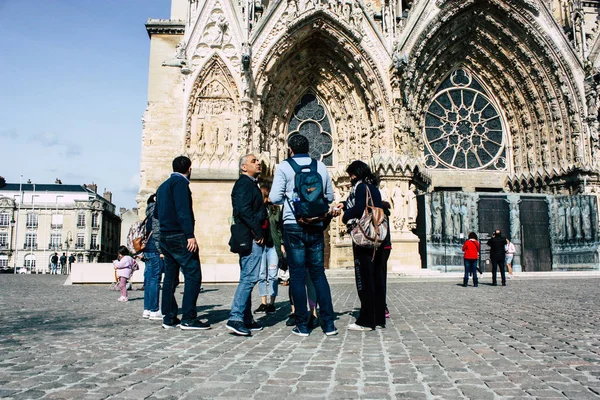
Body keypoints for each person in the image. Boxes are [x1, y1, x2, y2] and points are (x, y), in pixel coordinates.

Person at [269, 134, 338, 337]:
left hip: (293, 225)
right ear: (309, 149)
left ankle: (302, 325)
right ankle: (328, 324)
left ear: (290, 149)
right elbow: (330, 197)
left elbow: (274, 197)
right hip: (316, 225)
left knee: (297, 275)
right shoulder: (321, 166)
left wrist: (291, 197)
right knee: (318, 274)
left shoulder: (284, 167)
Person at [155, 155, 211, 330]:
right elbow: (183, 210)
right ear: (189, 169)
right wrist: (189, 235)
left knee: (170, 277)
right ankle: (189, 318)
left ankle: (169, 317)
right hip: (179, 235)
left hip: (165, 236)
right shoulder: (181, 184)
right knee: (193, 274)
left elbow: (156, 214)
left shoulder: (162, 186)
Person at [335, 160, 386, 331]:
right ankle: (378, 318)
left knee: (364, 278)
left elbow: (358, 209)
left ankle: (365, 321)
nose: (350, 178)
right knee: (377, 278)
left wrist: (344, 216)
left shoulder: (360, 187)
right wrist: (345, 202)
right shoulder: (374, 188)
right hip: (377, 237)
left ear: (355, 174)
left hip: (364, 239)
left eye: (351, 175)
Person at [226, 154, 267, 336]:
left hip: (249, 236)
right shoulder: (244, 184)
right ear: (244, 167)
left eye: (258, 160)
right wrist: (257, 232)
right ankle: (235, 318)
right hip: (250, 237)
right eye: (253, 161)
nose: (258, 163)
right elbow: (243, 211)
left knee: (247, 276)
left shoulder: (249, 183)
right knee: (249, 278)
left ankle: (246, 317)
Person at [254, 185, 280, 315]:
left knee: (273, 275)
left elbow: (279, 228)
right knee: (261, 275)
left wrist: (281, 243)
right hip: (261, 245)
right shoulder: (258, 210)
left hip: (273, 246)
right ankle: (263, 303)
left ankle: (272, 303)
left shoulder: (275, 210)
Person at [143, 194, 164, 320]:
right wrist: (161, 250)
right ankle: (154, 310)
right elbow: (157, 232)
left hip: (147, 250)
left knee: (149, 280)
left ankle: (147, 309)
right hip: (155, 249)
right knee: (155, 280)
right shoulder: (157, 211)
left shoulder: (148, 211)